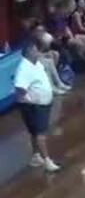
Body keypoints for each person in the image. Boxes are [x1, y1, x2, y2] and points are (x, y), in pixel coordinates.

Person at [14, 33, 61, 173]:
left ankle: (36, 157)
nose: (38, 51)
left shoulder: (36, 63)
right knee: (40, 133)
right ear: (29, 51)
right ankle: (47, 161)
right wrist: (28, 100)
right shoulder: (24, 68)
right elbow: (19, 87)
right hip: (34, 106)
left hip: (40, 105)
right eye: (35, 49)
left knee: (35, 132)